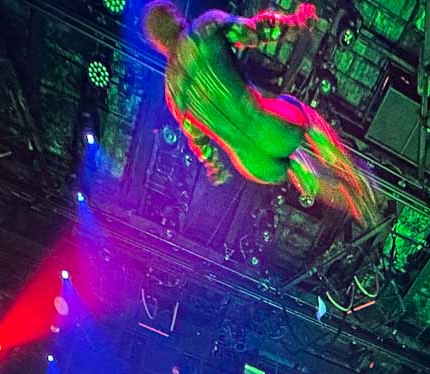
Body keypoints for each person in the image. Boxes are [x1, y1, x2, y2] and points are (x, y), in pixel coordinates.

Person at [142, 2, 379, 226]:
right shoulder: (203, 30)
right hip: (269, 126)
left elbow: (198, 140)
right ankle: (353, 174)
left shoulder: (173, 93)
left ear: (158, 42)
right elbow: (257, 31)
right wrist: (296, 22)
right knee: (304, 116)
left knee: (289, 165)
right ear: (174, 15)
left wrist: (214, 165)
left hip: (251, 164)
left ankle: (348, 201)